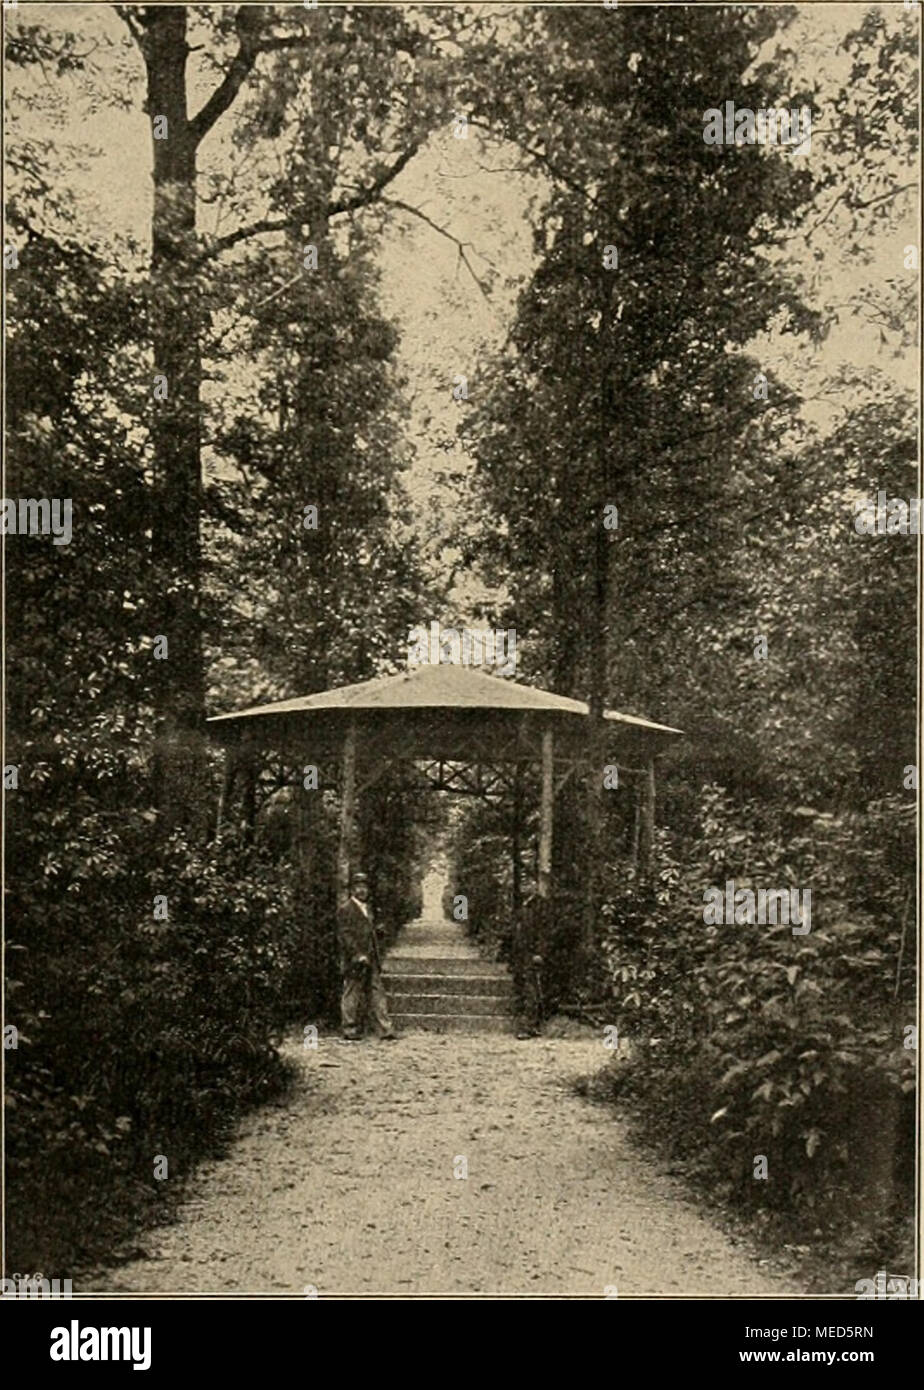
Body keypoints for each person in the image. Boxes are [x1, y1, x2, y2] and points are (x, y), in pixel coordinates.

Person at [337, 871, 397, 1042]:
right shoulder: (346, 909)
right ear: (352, 889)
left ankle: (386, 1029)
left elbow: (369, 933)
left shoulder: (368, 909)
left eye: (364, 887)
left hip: (371, 957)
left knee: (378, 992)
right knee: (352, 992)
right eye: (358, 887)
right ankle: (349, 1029)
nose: (362, 890)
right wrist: (357, 954)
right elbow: (345, 935)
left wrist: (378, 933)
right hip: (355, 959)